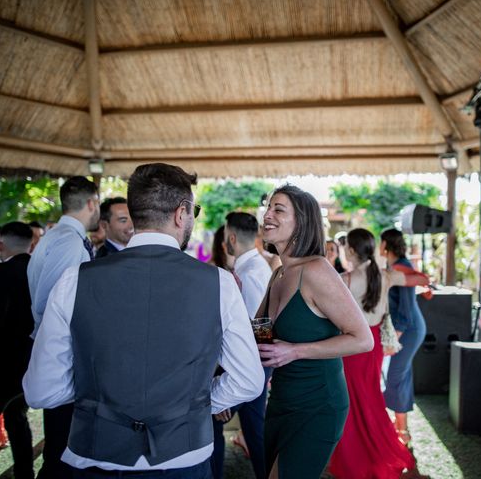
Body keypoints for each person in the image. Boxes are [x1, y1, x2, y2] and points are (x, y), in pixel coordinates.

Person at [23, 163, 264, 478]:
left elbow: (41, 391)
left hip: (94, 456)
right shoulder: (219, 282)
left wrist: (100, 397)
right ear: (181, 214)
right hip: (184, 457)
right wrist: (194, 405)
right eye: (195, 211)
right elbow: (248, 380)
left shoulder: (75, 280)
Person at [257, 185, 373, 479]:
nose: (267, 215)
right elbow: (259, 335)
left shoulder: (318, 270)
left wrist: (295, 351)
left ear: (302, 222)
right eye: (268, 208)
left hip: (319, 404)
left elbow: (363, 339)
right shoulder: (278, 274)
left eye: (278, 209)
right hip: (281, 399)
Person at [329, 228, 430, 479]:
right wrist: (403, 269)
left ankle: (354, 456)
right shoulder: (385, 276)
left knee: (352, 401)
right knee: (370, 396)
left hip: (351, 345)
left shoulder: (345, 279)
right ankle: (377, 451)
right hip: (372, 344)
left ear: (350, 250)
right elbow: (421, 279)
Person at [26, 175, 100, 479]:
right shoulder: (68, 242)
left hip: (61, 351)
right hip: (63, 355)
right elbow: (50, 302)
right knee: (62, 445)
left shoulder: (57, 237)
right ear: (92, 204)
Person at [211, 212, 273, 479]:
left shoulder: (252, 273)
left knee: (220, 422)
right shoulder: (251, 268)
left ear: (232, 239)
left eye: (226, 238)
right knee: (254, 428)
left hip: (252, 364)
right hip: (252, 363)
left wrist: (230, 384)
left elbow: (261, 329)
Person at [0, 222, 35, 479]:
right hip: (30, 360)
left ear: (2, 245)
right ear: (31, 244)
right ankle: (25, 473)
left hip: (1, 362)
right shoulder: (38, 270)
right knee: (17, 419)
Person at [380, 228, 431, 446]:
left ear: (385, 245)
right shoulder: (399, 265)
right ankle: (401, 427)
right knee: (401, 376)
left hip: (408, 329)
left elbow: (406, 309)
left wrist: (395, 337)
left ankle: (403, 433)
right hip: (410, 326)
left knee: (395, 377)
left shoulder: (400, 267)